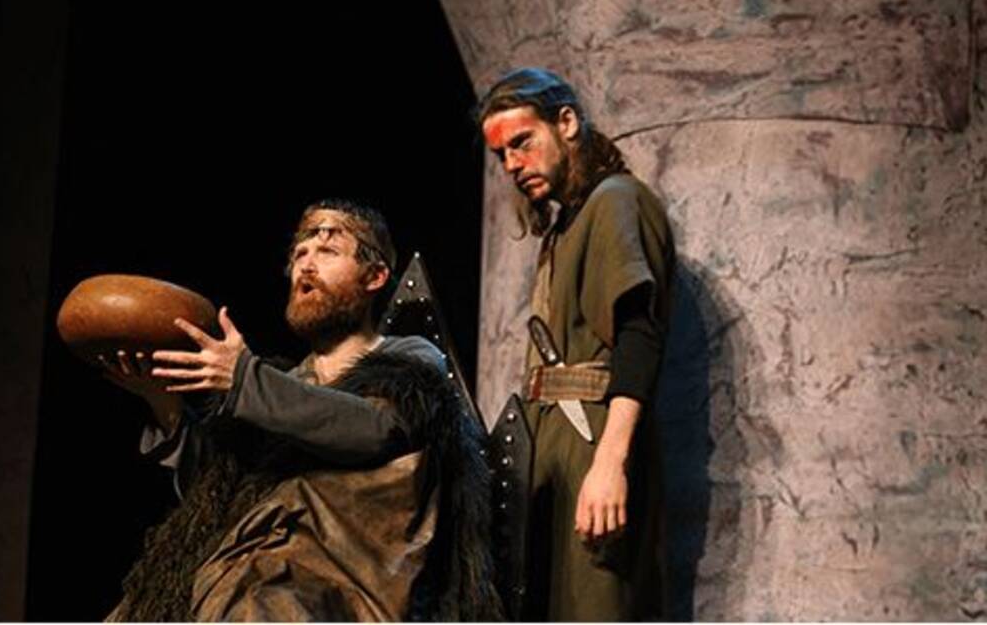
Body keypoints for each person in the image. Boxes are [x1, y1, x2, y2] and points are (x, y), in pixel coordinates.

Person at [98, 199, 500, 621]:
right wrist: (164, 403)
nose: (306, 265)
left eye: (328, 251)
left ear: (375, 276)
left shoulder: (409, 359)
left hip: (349, 582)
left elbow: (374, 430)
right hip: (253, 576)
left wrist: (245, 380)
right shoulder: (282, 385)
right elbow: (217, 500)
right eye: (300, 254)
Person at [478, 68, 675, 620]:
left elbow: (639, 335)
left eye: (522, 142)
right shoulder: (568, 224)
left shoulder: (616, 201)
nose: (512, 164)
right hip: (554, 458)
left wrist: (610, 462)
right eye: (501, 155)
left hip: (593, 447)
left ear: (566, 123)